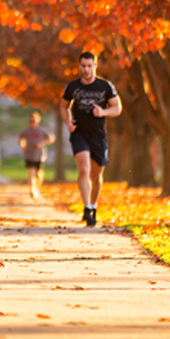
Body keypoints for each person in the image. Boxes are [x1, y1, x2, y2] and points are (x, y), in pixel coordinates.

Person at [61, 51, 121, 227]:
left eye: (89, 66)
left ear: (95, 66)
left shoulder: (105, 86)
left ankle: (93, 205)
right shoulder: (72, 87)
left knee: (96, 175)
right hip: (79, 132)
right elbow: (63, 107)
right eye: (83, 66)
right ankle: (86, 207)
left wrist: (103, 112)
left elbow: (117, 107)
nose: (86, 70)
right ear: (79, 66)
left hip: (98, 135)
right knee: (84, 168)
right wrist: (67, 123)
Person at [18, 111, 55, 199]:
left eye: (34, 121)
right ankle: (32, 190)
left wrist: (42, 143)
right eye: (31, 121)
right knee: (31, 172)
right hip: (29, 155)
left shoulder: (41, 130)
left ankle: (37, 188)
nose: (32, 123)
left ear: (38, 121)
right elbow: (20, 138)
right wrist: (22, 146)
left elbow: (50, 139)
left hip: (39, 155)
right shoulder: (26, 131)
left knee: (38, 174)